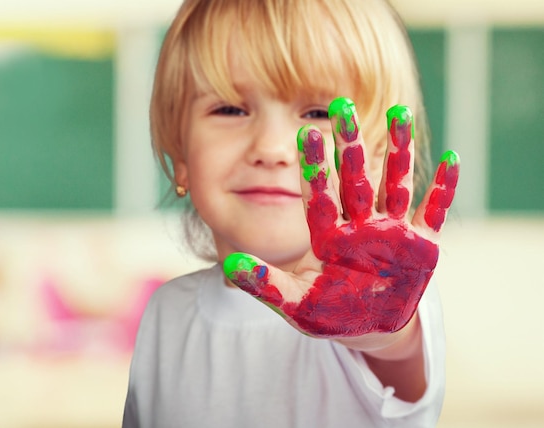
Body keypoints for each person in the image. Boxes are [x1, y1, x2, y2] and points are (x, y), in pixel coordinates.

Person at [122, 0, 460, 426]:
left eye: (318, 114)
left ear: (377, 159)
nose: (269, 147)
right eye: (230, 108)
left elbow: (396, 354)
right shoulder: (165, 312)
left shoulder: (381, 303)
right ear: (181, 153)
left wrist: (379, 330)